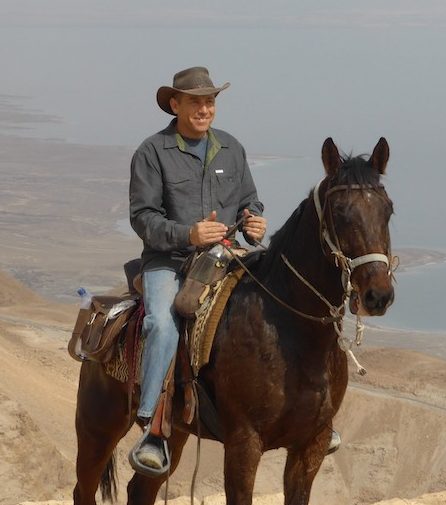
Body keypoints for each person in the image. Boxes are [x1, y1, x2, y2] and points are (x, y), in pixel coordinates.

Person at [129, 66, 267, 471]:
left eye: (210, 101)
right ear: (175, 104)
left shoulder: (231, 148)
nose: (204, 108)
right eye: (195, 101)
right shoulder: (152, 152)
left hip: (227, 255)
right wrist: (188, 234)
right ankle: (154, 428)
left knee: (274, 306)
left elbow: (251, 200)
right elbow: (143, 218)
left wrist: (254, 222)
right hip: (168, 260)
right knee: (162, 322)